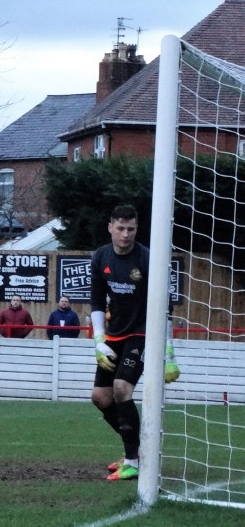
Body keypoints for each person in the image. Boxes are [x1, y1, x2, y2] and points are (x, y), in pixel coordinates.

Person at [90, 205, 157, 482]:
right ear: (110, 227)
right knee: (100, 398)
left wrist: (167, 349)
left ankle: (133, 460)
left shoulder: (146, 259)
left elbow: (163, 304)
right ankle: (139, 449)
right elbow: (96, 302)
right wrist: (98, 339)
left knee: (121, 388)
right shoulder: (101, 257)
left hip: (141, 333)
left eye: (131, 229)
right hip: (114, 334)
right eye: (120, 228)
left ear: (136, 229)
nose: (126, 235)